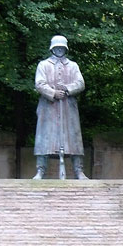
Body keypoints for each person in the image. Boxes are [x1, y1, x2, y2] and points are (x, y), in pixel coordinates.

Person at [33, 34, 86, 179]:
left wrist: (68, 89)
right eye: (57, 47)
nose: (59, 50)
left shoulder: (73, 66)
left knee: (73, 139)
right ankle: (40, 170)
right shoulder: (43, 65)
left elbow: (80, 83)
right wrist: (53, 93)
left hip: (68, 108)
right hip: (48, 108)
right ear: (52, 48)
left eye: (62, 47)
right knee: (43, 138)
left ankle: (78, 170)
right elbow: (39, 83)